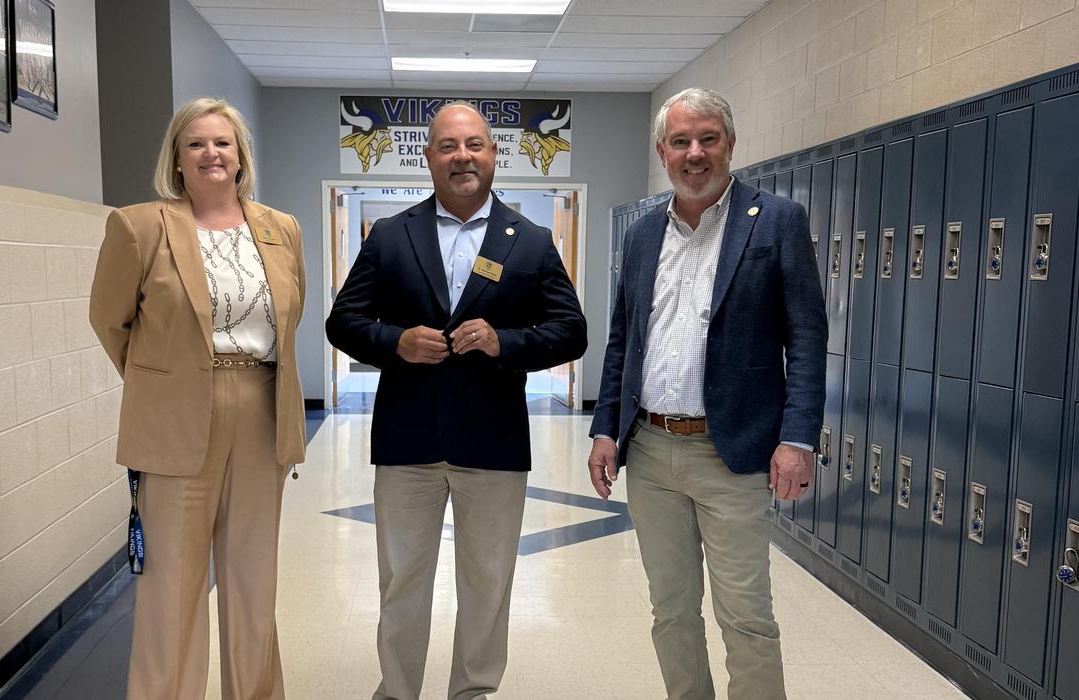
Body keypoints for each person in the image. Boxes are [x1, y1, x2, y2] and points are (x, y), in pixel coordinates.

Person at [326, 102, 586, 700]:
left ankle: (472, 690)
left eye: (474, 145)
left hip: (492, 444)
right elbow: (343, 322)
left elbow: (572, 331)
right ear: (429, 158)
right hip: (407, 440)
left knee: (489, 581)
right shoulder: (392, 235)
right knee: (402, 580)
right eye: (447, 146)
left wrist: (505, 343)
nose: (461, 157)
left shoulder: (532, 241)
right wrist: (396, 342)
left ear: (494, 155)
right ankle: (397, 689)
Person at [587, 87, 826, 699]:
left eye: (708, 139)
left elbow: (805, 338)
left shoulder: (777, 221)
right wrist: (606, 429)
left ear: (730, 144)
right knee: (671, 612)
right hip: (651, 452)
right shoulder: (642, 236)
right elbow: (624, 340)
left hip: (733, 453)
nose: (695, 153)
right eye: (681, 141)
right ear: (661, 151)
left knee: (745, 615)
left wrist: (797, 438)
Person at [89, 97, 306, 700]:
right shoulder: (138, 227)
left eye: (223, 143)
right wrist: (165, 381)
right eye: (197, 144)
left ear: (241, 156)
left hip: (262, 409)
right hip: (177, 417)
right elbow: (110, 322)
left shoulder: (280, 229)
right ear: (177, 159)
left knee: (252, 578)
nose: (212, 153)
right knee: (173, 586)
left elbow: (291, 316)